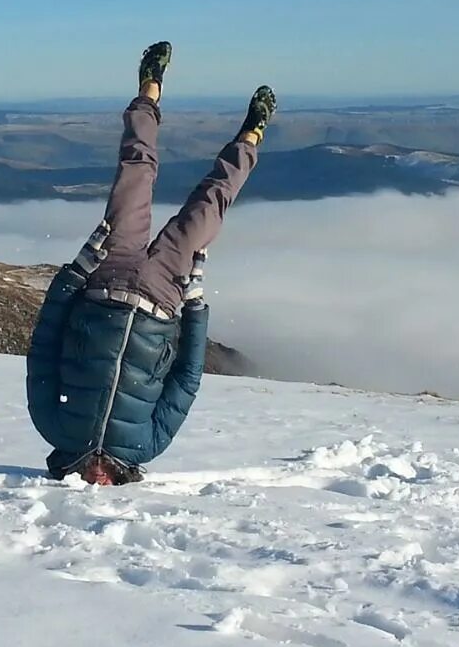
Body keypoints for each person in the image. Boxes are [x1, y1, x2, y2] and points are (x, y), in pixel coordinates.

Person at [25, 42, 275, 484]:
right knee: (210, 204)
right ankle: (251, 136)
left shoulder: (53, 425)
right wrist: (195, 303)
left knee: (136, 169)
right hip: (164, 293)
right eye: (106, 486)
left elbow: (45, 342)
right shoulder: (147, 445)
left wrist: (77, 270)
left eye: (88, 484)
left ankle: (149, 89)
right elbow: (187, 378)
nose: (96, 483)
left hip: (104, 273)